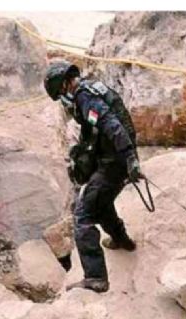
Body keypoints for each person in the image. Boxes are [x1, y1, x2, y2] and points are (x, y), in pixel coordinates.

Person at [44, 60, 142, 293]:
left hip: (114, 163)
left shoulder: (85, 97)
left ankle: (95, 277)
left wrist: (130, 159)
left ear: (65, 85)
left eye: (61, 93)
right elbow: (96, 130)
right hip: (112, 159)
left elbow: (112, 125)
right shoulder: (90, 88)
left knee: (83, 216)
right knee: (102, 202)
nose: (63, 99)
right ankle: (121, 239)